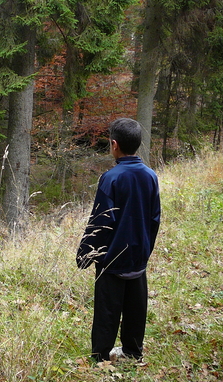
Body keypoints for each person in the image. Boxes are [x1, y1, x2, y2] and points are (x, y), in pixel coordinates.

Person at [76, 118, 161, 363]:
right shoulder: (151, 176)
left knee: (107, 310)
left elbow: (100, 222)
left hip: (111, 260)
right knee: (136, 307)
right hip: (138, 257)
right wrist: (145, 249)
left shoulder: (111, 178)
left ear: (114, 144)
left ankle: (101, 356)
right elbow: (154, 219)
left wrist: (86, 254)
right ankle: (133, 352)